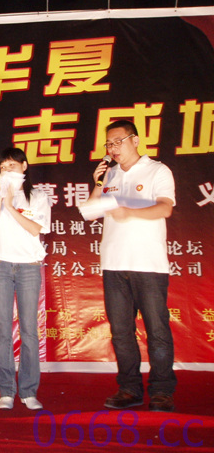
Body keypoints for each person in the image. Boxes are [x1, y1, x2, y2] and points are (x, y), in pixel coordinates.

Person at [90, 119, 176, 412]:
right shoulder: (110, 174)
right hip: (114, 264)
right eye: (109, 144)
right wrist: (98, 183)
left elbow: (165, 207)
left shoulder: (157, 170)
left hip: (148, 264)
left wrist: (130, 212)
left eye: (119, 141)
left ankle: (162, 391)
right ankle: (129, 389)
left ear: (135, 140)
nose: (113, 148)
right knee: (121, 332)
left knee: (157, 330)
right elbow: (90, 212)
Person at [0, 147, 51, 410]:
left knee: (29, 329)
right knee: (3, 329)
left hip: (29, 266)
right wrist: (0, 197)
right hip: (0, 266)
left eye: (12, 165)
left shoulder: (37, 196)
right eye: (3, 166)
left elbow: (35, 229)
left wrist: (11, 206)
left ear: (24, 166)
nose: (7, 170)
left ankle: (29, 391)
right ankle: (6, 390)